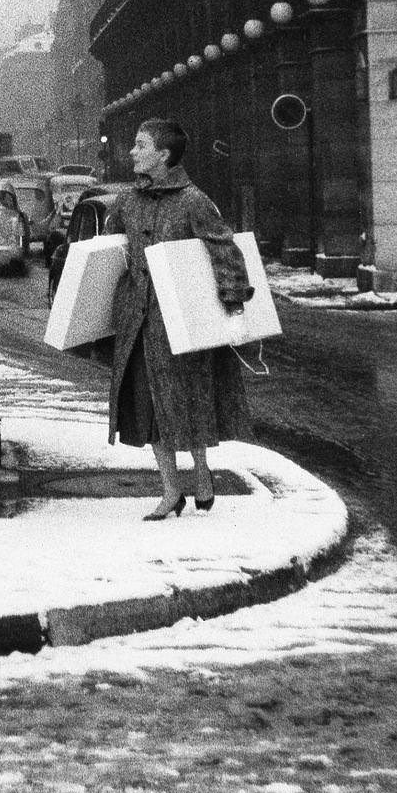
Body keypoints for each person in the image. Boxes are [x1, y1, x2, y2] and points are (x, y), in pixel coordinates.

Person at [106, 117, 254, 520]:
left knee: (189, 401)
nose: (132, 152)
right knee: (148, 407)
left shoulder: (194, 201)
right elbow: (110, 249)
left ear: (163, 155)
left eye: (140, 145)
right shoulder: (127, 201)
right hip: (140, 323)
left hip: (181, 323)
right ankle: (171, 489)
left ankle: (202, 472)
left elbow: (225, 252)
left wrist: (234, 304)